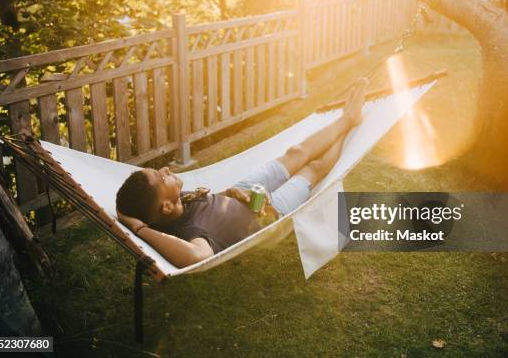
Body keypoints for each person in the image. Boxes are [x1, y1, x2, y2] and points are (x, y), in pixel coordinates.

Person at [116, 83, 366, 268]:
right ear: (166, 207)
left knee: (297, 151)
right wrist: (138, 229)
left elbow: (214, 204)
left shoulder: (179, 201)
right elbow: (197, 257)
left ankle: (346, 120)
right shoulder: (192, 232)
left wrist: (233, 192)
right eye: (161, 178)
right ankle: (348, 125)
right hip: (270, 212)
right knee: (314, 169)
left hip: (245, 189)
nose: (165, 170)